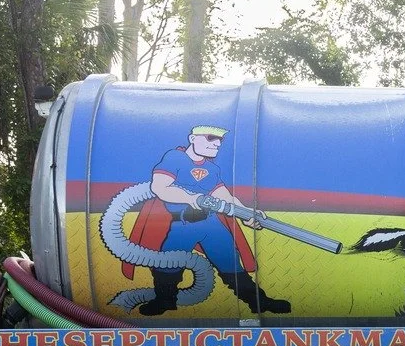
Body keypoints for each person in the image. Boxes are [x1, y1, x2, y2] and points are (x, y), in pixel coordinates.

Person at [123, 125, 290, 315]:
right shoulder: (175, 158)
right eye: (211, 138)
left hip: (211, 225)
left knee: (231, 263)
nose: (217, 144)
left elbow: (225, 197)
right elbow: (160, 187)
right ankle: (164, 301)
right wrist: (191, 198)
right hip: (183, 225)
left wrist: (248, 214)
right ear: (193, 138)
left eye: (220, 140)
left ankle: (259, 302)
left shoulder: (212, 169)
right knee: (169, 264)